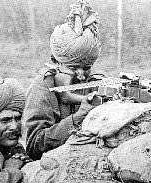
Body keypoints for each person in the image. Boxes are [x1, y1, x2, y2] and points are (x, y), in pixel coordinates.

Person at [23, 0, 101, 160]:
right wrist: (78, 117)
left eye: (86, 68)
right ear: (56, 62)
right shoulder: (43, 87)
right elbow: (33, 145)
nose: (81, 76)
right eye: (73, 68)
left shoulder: (96, 82)